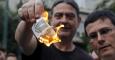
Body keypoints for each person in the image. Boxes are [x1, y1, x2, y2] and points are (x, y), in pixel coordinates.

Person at [15, 0, 93, 60]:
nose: (64, 21)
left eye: (70, 16)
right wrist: (27, 20)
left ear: (78, 21)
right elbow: (23, 40)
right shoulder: (39, 46)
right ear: (50, 19)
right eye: (58, 16)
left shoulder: (86, 58)